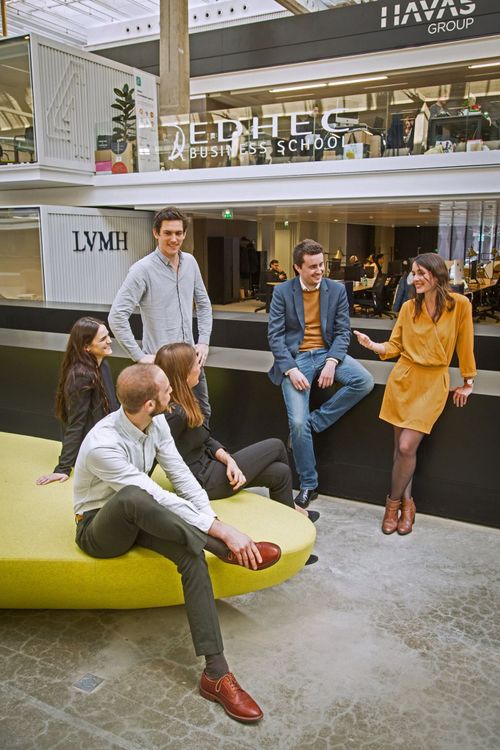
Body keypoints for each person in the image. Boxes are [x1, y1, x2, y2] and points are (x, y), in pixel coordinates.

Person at [73, 363, 281, 723]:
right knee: (135, 496)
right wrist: (221, 534)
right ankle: (223, 551)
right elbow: (151, 494)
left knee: (190, 555)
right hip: (98, 529)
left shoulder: (155, 424)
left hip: (143, 516)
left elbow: (182, 478)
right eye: (167, 389)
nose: (174, 392)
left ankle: (216, 674)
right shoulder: (102, 444)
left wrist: (213, 520)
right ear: (150, 404)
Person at [354, 253, 476, 535]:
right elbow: (395, 346)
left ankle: (391, 505)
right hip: (404, 379)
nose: (415, 278)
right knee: (400, 449)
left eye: (421, 273)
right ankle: (406, 506)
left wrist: (468, 380)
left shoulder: (460, 305)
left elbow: (465, 345)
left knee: (407, 447)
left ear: (437, 274)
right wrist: (373, 345)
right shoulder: (409, 307)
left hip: (433, 383)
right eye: (413, 273)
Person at [154, 342, 319, 526]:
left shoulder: (184, 401)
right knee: (277, 445)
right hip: (205, 482)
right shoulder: (174, 415)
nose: (200, 367)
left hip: (211, 468)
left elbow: (206, 440)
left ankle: (290, 522)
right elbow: (154, 450)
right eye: (195, 364)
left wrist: (229, 460)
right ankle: (295, 514)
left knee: (281, 473)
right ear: (184, 374)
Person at [268, 239, 374, 508]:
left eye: (321, 265)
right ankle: (308, 484)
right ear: (298, 267)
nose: (319, 271)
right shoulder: (282, 292)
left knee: (364, 381)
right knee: (297, 423)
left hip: (327, 353)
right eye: (313, 266)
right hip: (297, 359)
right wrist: (291, 369)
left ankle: (316, 422)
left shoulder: (336, 290)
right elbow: (275, 337)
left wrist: (331, 362)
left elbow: (342, 332)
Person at [109, 206, 212, 421]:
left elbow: (203, 303)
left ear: (184, 234)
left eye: (178, 233)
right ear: (156, 233)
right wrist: (138, 356)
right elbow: (117, 316)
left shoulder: (190, 262)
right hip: (162, 366)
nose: (174, 239)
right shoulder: (142, 269)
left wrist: (203, 341)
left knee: (202, 416)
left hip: (191, 361)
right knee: (166, 425)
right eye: (168, 233)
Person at [36, 317, 118, 485]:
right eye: (103, 339)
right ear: (86, 347)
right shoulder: (81, 376)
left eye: (108, 335)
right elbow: (76, 423)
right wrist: (63, 468)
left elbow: (113, 406)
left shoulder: (103, 365)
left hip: (107, 436)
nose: (110, 341)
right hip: (93, 446)